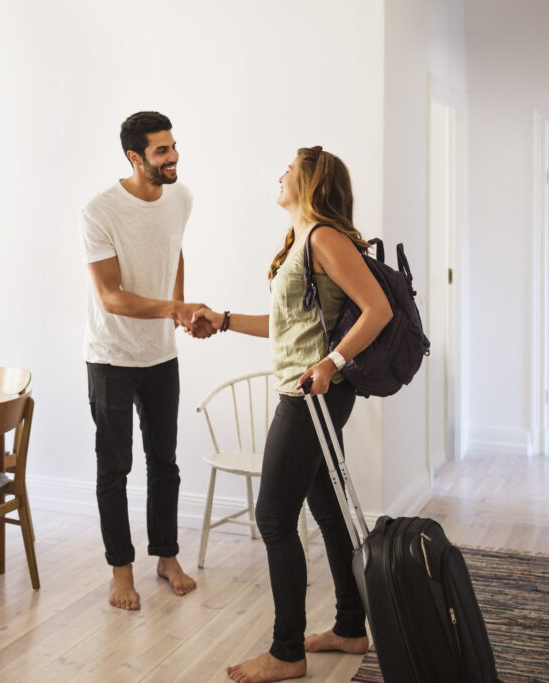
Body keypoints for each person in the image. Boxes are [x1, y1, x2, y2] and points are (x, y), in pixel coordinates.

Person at [190, 146, 393, 682]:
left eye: (288, 169)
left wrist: (330, 362)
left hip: (311, 395)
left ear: (310, 181)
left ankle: (286, 653)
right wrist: (226, 319)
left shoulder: (325, 237)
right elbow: (288, 328)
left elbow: (379, 309)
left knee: (274, 519)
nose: (279, 175)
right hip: (310, 389)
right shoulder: (302, 241)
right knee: (326, 511)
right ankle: (351, 628)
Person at [82, 111, 211, 611]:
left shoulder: (181, 197)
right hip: (111, 357)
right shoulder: (99, 211)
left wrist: (176, 309)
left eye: (173, 145)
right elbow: (111, 297)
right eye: (161, 150)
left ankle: (166, 556)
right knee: (115, 468)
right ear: (135, 158)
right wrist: (174, 308)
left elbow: (173, 249)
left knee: (165, 464)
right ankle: (121, 570)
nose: (173, 156)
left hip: (161, 356)